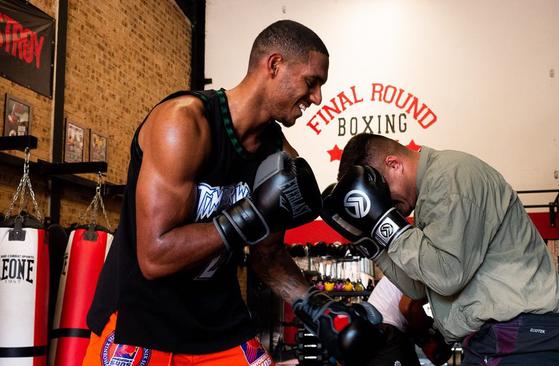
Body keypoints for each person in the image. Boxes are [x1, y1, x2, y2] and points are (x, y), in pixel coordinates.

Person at [83, 21, 382, 366]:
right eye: (311, 82)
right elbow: (154, 256)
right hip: (141, 323)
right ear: (274, 65)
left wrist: (320, 308)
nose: (317, 98)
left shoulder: (278, 156)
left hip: (219, 325)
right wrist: (251, 214)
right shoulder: (184, 123)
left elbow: (266, 256)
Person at [320, 133, 559, 365]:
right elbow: (419, 286)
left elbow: (447, 276)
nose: (384, 204)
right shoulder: (429, 195)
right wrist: (372, 243)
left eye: (380, 194)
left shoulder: (450, 177)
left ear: (394, 164)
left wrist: (385, 223)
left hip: (525, 338)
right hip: (500, 338)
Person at [367, 276, 451, 366]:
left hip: (381, 326)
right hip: (387, 328)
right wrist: (425, 339)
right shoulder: (425, 271)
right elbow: (407, 308)